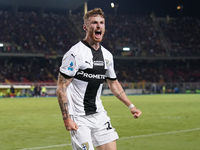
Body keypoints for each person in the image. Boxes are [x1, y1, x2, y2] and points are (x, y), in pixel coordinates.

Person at [56, 8, 142, 150]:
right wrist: (66, 118)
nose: (98, 26)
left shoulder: (107, 56)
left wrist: (131, 106)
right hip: (79, 118)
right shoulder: (75, 54)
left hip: (99, 115)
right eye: (94, 23)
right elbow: (61, 87)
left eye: (101, 23)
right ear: (85, 27)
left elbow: (113, 83)